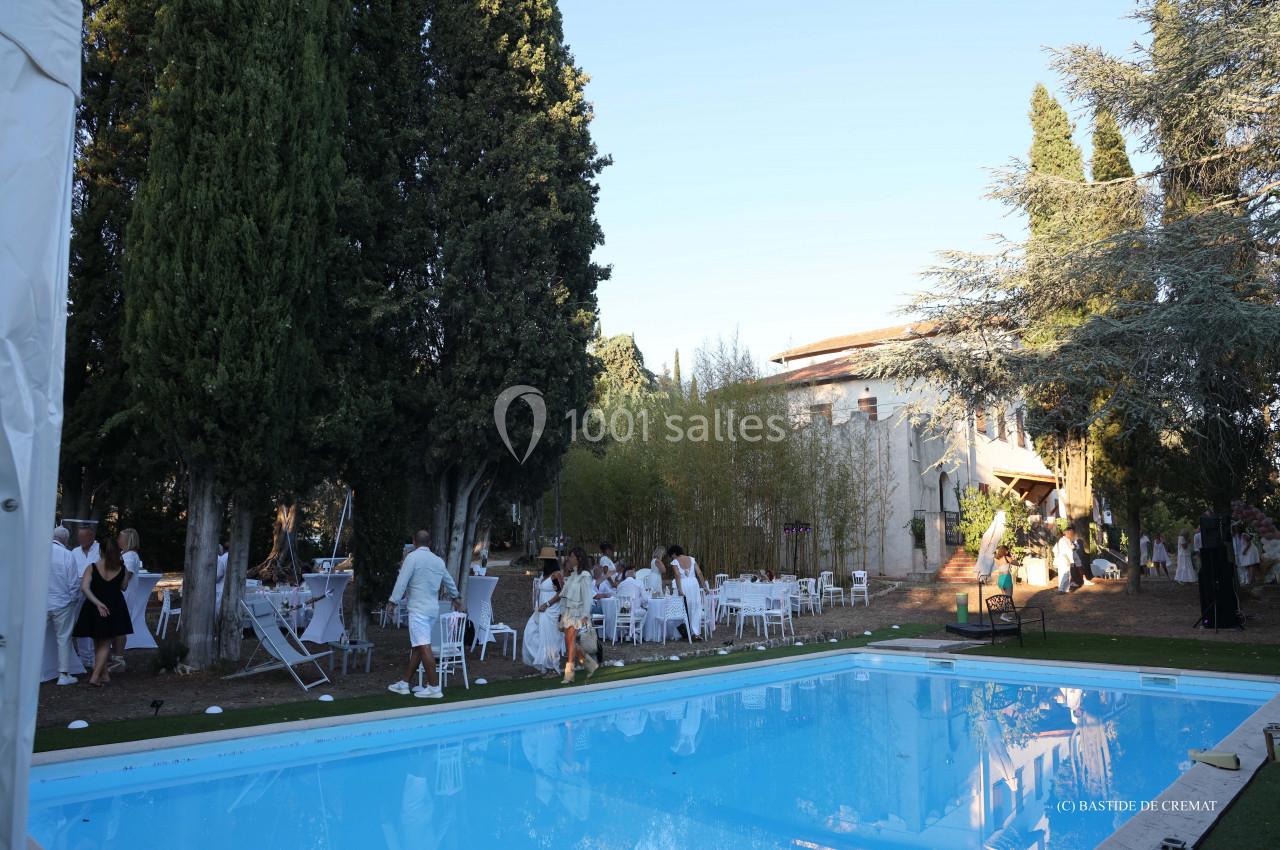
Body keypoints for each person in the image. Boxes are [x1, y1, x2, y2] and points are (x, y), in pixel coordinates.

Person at [385, 530, 461, 700]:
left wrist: (392, 601)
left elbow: (402, 581)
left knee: (423, 646)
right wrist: (456, 597)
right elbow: (448, 580)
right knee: (418, 647)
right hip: (432, 610)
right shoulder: (438, 561)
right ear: (430, 542)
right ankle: (404, 683)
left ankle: (434, 687)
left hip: (418, 609)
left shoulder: (412, 558)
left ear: (413, 541)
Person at [72, 538, 133, 686]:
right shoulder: (121, 568)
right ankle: (103, 675)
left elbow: (84, 588)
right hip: (114, 606)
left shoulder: (92, 567)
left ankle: (95, 677)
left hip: (94, 606)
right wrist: (123, 574)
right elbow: (124, 587)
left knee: (100, 642)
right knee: (104, 643)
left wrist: (98, 603)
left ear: (101, 551)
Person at [557, 548, 598, 685]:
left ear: (579, 558)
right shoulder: (573, 575)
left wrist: (585, 615)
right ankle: (589, 664)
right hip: (568, 612)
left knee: (571, 641)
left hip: (578, 613)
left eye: (572, 556)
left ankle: (569, 674)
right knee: (569, 643)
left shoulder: (585, 575)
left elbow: (587, 597)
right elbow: (564, 594)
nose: (569, 558)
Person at [47, 527, 81, 685]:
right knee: (64, 638)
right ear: (65, 540)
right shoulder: (67, 555)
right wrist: (73, 600)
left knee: (36, 638)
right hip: (62, 603)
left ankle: (30, 672)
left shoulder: (40, 553)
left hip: (42, 603)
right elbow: (74, 583)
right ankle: (63, 674)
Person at [522, 548, 564, 677]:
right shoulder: (545, 575)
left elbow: (561, 593)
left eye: (543, 561)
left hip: (550, 610)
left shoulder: (555, 575)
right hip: (541, 610)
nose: (541, 563)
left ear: (548, 561)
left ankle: (552, 667)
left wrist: (547, 604)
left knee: (550, 639)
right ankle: (543, 662)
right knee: (530, 632)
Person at [667, 544, 709, 639]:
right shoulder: (692, 559)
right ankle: (696, 632)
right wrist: (705, 587)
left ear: (674, 553)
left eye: (671, 555)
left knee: (684, 607)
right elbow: (699, 573)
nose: (671, 557)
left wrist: (679, 590)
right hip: (694, 584)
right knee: (695, 606)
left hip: (684, 584)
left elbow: (677, 575)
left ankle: (687, 632)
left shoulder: (675, 562)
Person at [1054, 528, 1078, 593]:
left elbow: (1071, 547)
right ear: (1067, 532)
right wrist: (1068, 560)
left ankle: (1065, 589)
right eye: (1071, 533)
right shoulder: (1062, 540)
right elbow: (1063, 552)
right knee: (1064, 574)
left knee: (1067, 574)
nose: (1072, 534)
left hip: (1066, 559)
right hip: (1064, 560)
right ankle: (1061, 589)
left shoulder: (1067, 540)